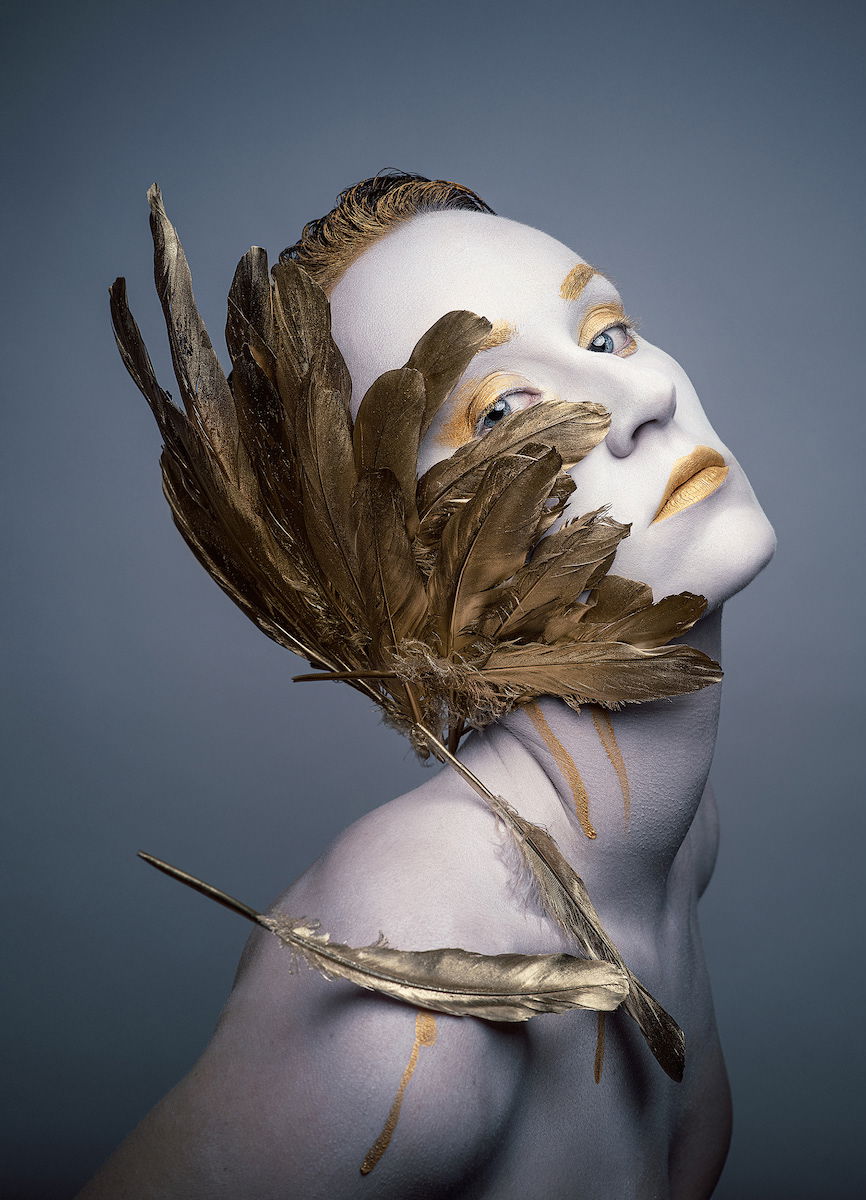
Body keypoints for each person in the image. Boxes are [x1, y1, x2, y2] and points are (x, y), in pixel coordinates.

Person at [79, 173, 776, 1199]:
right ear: (404, 553)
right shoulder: (416, 967)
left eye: (606, 335)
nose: (643, 396)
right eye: (502, 408)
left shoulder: (677, 840)